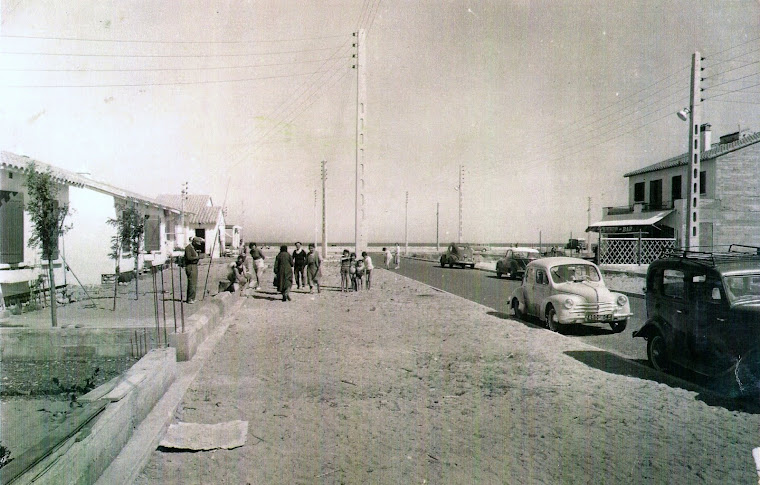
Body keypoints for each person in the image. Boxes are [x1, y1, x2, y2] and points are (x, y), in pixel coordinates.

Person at [184, 236, 203, 304]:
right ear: (194, 242)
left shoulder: (193, 248)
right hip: (190, 266)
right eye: (197, 244)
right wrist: (197, 257)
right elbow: (189, 258)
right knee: (191, 283)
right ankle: (190, 299)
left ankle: (192, 298)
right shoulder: (188, 248)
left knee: (194, 283)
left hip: (194, 266)